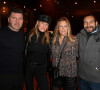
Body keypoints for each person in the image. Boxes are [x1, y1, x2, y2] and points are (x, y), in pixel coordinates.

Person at [25, 14, 52, 90]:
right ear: (37, 22)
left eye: (46, 24)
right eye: (42, 23)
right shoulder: (29, 34)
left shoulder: (49, 37)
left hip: (41, 67)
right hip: (29, 66)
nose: (44, 26)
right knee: (29, 87)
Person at [0, 7, 24, 90]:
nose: (17, 21)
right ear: (8, 20)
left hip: (18, 76)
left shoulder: (22, 35)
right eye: (14, 18)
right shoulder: (1, 33)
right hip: (3, 77)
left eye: (20, 19)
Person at [51, 17, 78, 90]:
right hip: (57, 73)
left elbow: (79, 55)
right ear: (58, 28)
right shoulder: (54, 40)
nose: (63, 28)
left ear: (68, 28)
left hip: (69, 74)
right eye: (61, 26)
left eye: (65, 26)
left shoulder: (74, 40)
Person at [77, 14, 100, 90]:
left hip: (97, 80)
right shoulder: (79, 36)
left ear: (96, 23)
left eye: (91, 22)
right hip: (82, 77)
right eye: (85, 22)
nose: (88, 25)